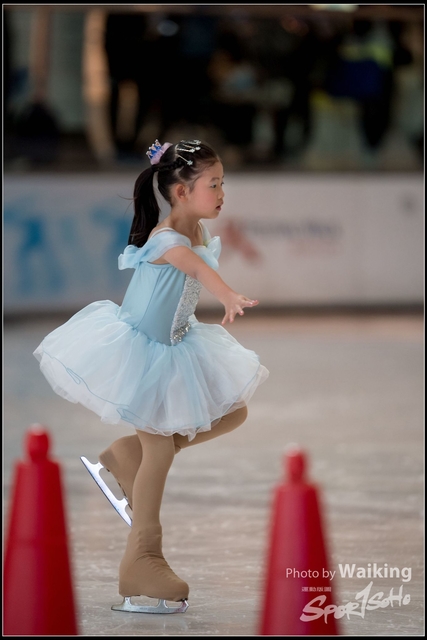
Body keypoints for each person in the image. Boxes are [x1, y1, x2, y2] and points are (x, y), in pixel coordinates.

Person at [33, 139, 269, 613]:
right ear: (182, 192)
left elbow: (195, 267)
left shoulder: (196, 229)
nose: (222, 192)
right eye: (214, 184)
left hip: (178, 345)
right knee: (159, 447)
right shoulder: (168, 241)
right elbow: (197, 270)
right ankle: (142, 557)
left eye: (222, 183)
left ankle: (127, 455)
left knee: (233, 413)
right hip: (143, 354)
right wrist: (228, 295)